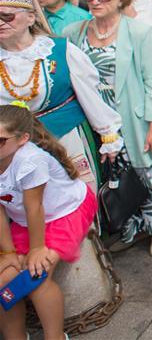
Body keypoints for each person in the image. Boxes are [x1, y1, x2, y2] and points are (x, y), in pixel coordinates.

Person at [62, 0, 152, 255]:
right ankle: (129, 227)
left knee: (146, 173)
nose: (94, 2)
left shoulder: (138, 32)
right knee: (114, 177)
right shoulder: (73, 32)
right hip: (95, 122)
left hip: (134, 120)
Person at [0, 0, 122, 188]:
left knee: (76, 200)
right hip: (13, 148)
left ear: (30, 17)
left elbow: (90, 95)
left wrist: (109, 134)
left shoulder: (60, 50)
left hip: (66, 139)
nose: (1, 23)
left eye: (7, 16)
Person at [0, 103, 99, 340]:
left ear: (23, 139)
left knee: (35, 278)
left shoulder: (30, 160)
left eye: (0, 140)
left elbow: (35, 207)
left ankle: (54, 337)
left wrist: (36, 249)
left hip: (65, 212)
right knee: (3, 281)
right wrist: (8, 252)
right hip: (25, 219)